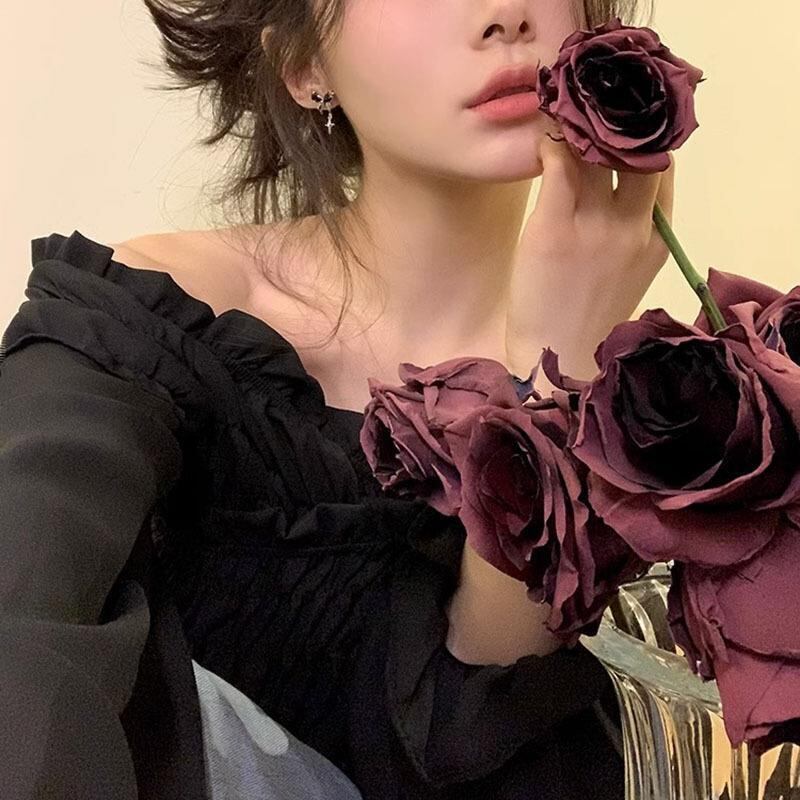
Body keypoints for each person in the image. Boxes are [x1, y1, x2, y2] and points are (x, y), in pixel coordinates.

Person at [1, 0, 673, 797]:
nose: (503, 15)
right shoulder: (142, 324)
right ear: (304, 66)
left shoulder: (691, 412)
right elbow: (23, 642)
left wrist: (554, 380)